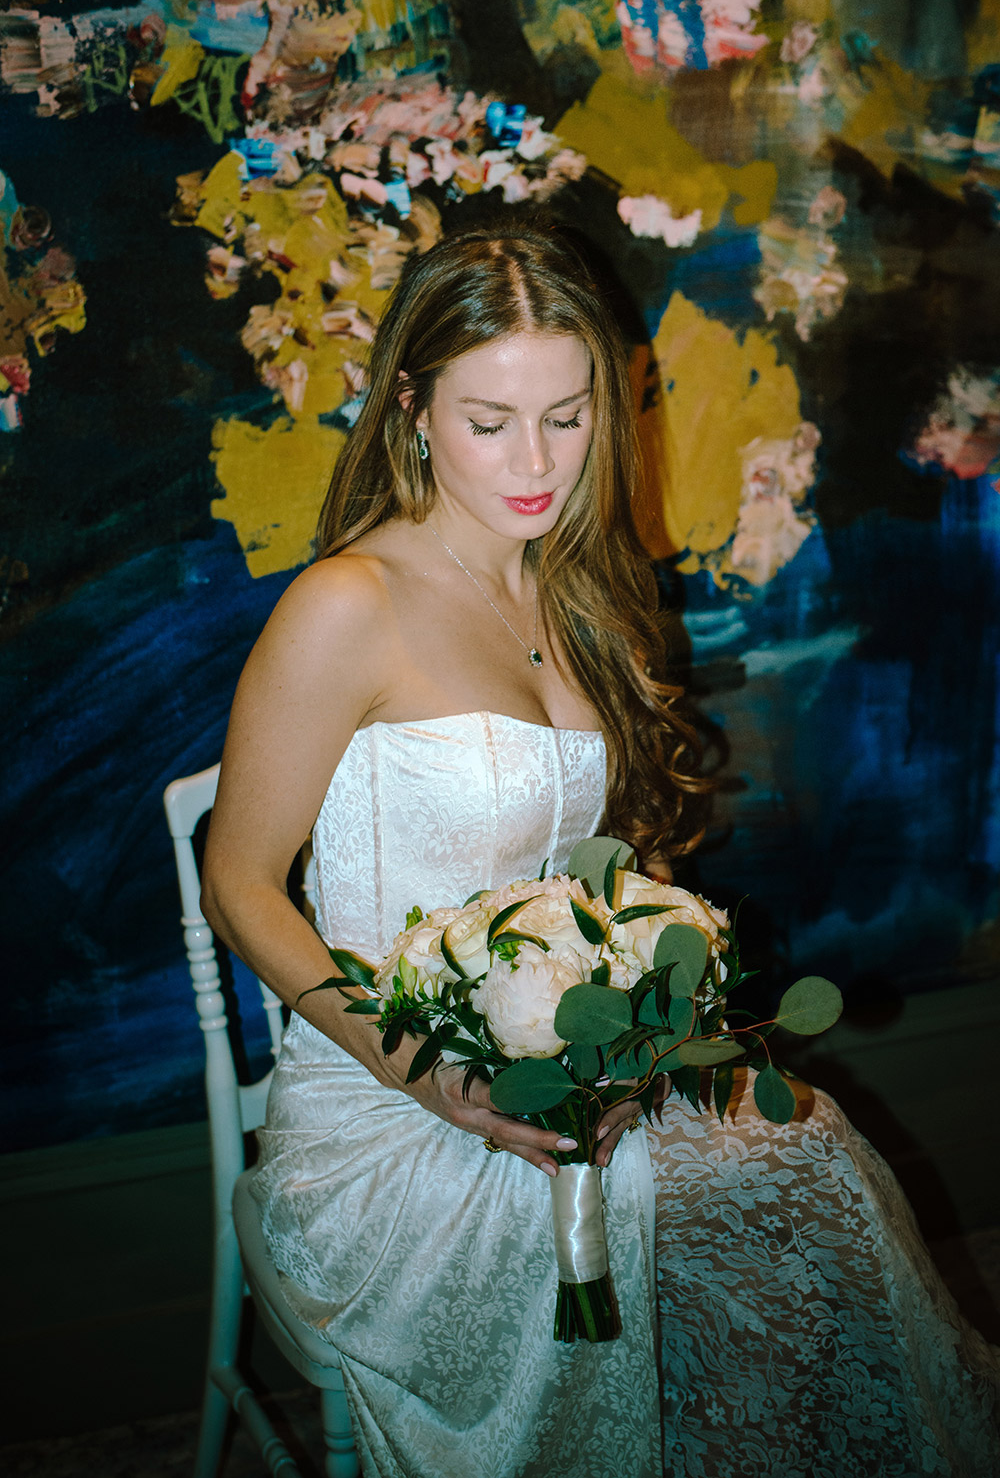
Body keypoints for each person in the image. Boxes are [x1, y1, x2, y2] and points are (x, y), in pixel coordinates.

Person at [201, 219, 999, 1478]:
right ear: (410, 406)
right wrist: (423, 1071)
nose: (536, 463)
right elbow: (238, 884)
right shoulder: (345, 606)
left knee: (797, 1166)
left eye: (567, 418)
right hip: (383, 1106)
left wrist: (646, 1010)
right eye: (489, 420)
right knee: (667, 1223)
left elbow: (595, 873)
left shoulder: (575, 588)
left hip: (548, 1063)